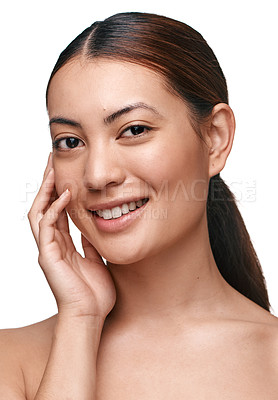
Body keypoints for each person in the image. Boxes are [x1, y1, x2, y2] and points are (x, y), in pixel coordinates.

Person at [0, 11, 277, 399]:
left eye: (134, 130)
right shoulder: (10, 361)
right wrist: (80, 320)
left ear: (215, 138)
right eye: (70, 141)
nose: (97, 176)